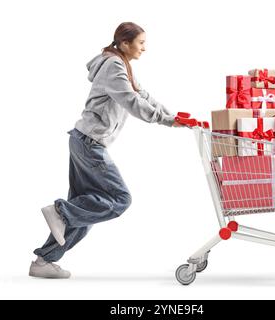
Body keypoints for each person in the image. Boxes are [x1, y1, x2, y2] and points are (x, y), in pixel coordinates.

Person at [29, 22, 183, 278]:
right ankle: (60, 212)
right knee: (120, 200)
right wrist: (166, 121)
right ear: (125, 43)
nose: (144, 48)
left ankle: (43, 261)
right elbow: (132, 102)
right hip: (90, 144)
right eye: (141, 42)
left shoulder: (121, 63)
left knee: (86, 210)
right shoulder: (113, 66)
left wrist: (173, 117)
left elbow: (142, 94)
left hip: (83, 140)